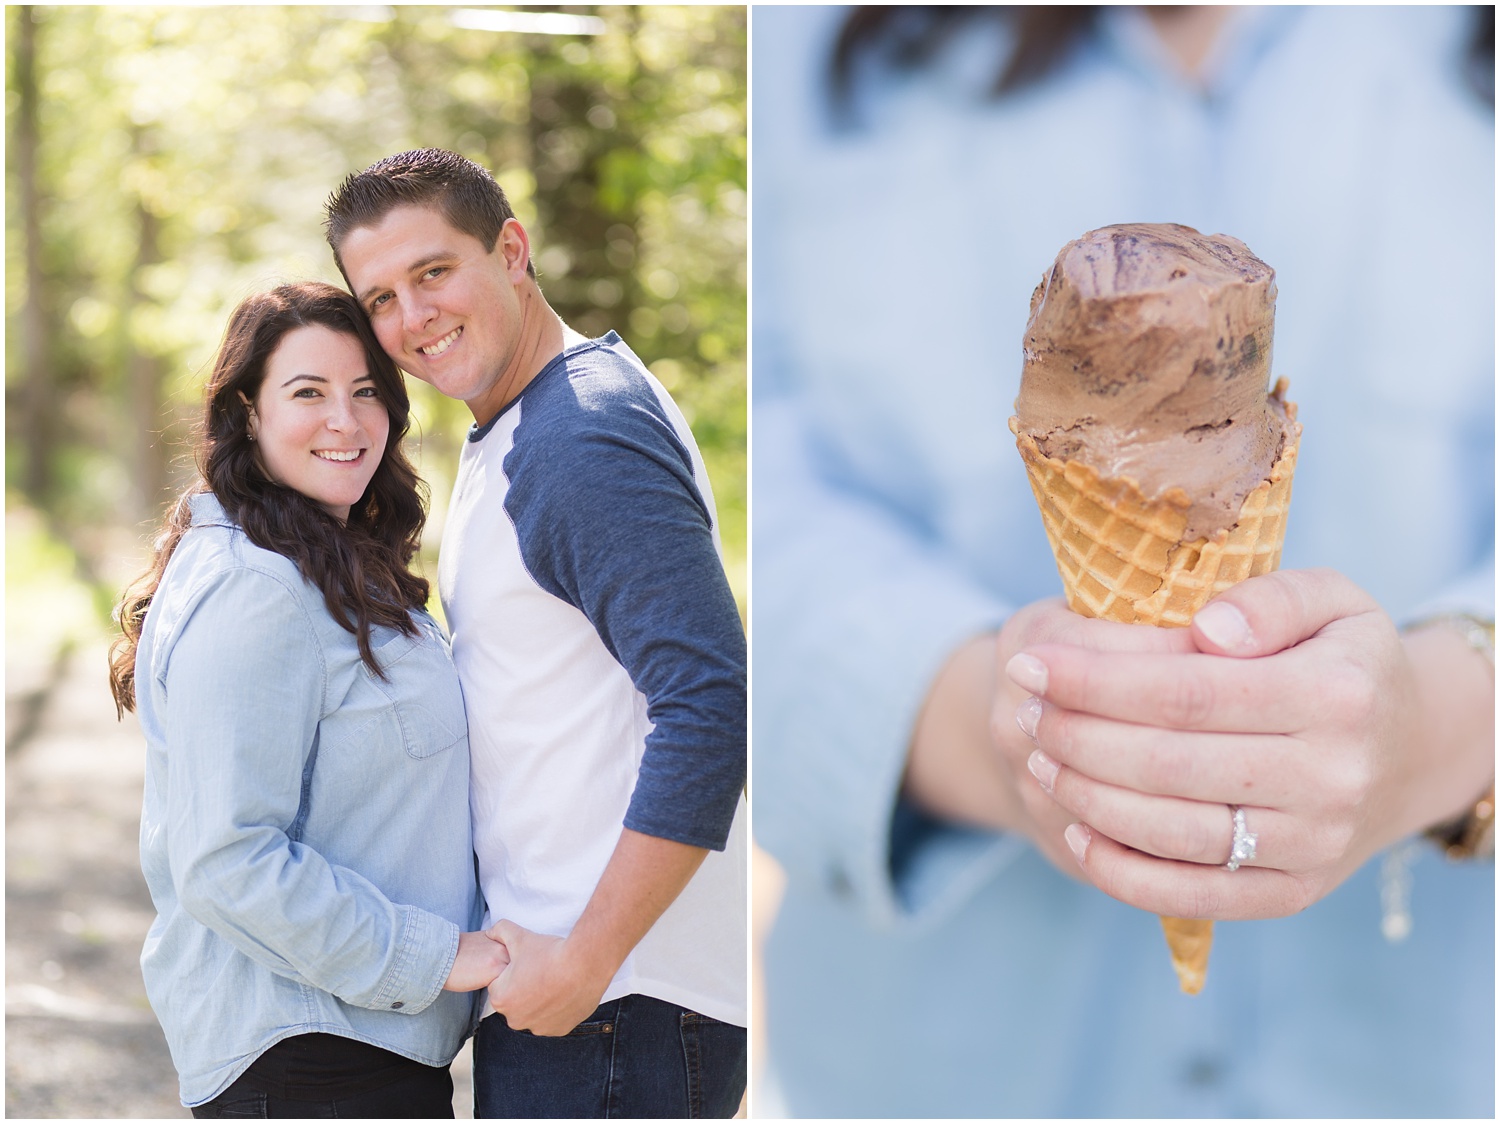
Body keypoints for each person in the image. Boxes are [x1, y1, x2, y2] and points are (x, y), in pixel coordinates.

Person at [753, 5, 1493, 1118]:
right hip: (940, 1067)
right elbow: (745, 483)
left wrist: (1443, 723)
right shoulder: (791, 43)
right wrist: (983, 725)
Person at [323, 149, 748, 1118]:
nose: (412, 318)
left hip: (616, 1004)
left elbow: (710, 702)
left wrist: (586, 958)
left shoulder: (578, 437)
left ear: (512, 250)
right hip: (591, 998)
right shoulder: (526, 421)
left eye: (434, 273)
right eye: (381, 297)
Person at [109, 282, 509, 1118]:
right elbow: (227, 860)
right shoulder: (259, 588)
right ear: (247, 411)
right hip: (311, 1060)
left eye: (366, 391)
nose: (346, 420)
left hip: (344, 1048)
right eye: (309, 393)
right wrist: (438, 958)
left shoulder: (309, 558)